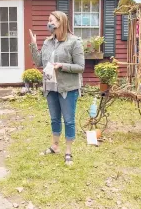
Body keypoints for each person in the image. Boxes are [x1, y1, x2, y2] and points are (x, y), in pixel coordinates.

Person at [29, 11, 85, 166]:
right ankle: (55, 146)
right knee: (54, 119)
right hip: (50, 86)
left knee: (68, 120)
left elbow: (81, 67)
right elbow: (39, 62)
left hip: (67, 88)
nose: (49, 23)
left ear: (60, 22)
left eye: (51, 20)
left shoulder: (74, 42)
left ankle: (68, 151)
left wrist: (63, 66)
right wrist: (33, 45)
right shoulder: (48, 42)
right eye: (48, 20)